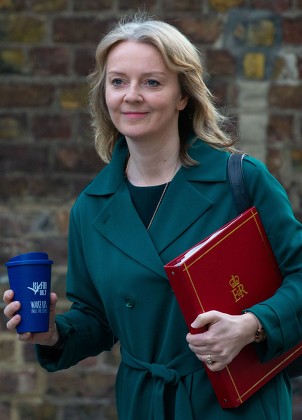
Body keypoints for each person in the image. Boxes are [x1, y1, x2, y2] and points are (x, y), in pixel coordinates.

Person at [3, 13, 302, 420]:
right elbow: (97, 319)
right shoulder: (91, 207)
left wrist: (253, 324)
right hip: (146, 404)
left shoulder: (241, 179)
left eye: (152, 82)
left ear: (183, 95)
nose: (131, 95)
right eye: (118, 81)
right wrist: (54, 333)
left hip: (238, 403)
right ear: (104, 94)